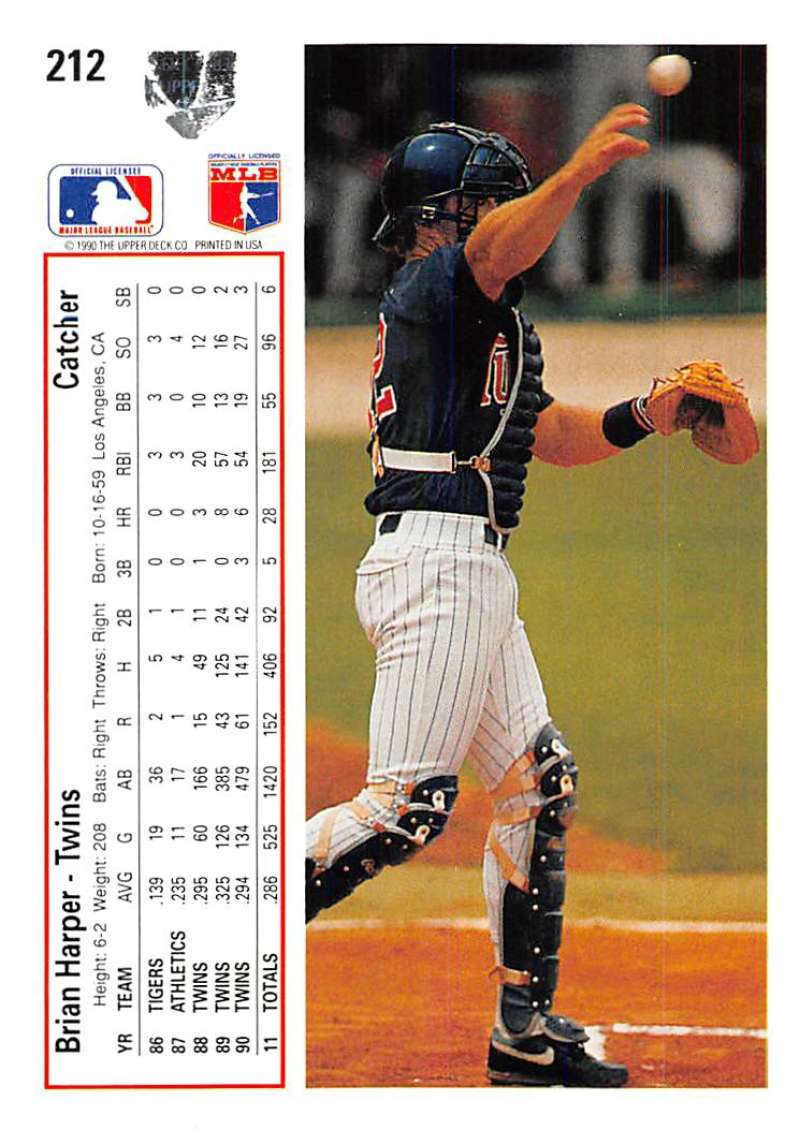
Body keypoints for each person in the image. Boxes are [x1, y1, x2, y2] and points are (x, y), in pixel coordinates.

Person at [305, 105, 694, 1087]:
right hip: (434, 561)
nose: (498, 222)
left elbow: (550, 434)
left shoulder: (488, 324)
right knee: (403, 807)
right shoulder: (431, 287)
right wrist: (572, 178)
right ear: (435, 222)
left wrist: (650, 411)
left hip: (466, 564)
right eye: (479, 207)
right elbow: (495, 246)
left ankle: (522, 1032)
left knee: (536, 780)